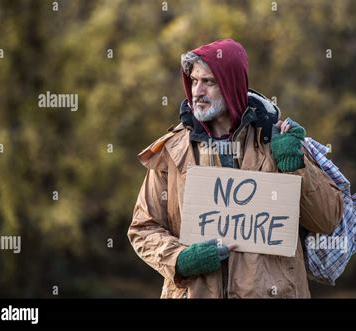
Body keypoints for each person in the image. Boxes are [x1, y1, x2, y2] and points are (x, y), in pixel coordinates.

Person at [128, 38, 343, 298]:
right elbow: (143, 228)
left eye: (208, 82)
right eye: (194, 81)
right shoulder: (173, 151)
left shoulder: (276, 139)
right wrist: (180, 259)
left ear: (231, 87)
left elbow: (327, 219)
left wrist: (295, 165)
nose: (197, 91)